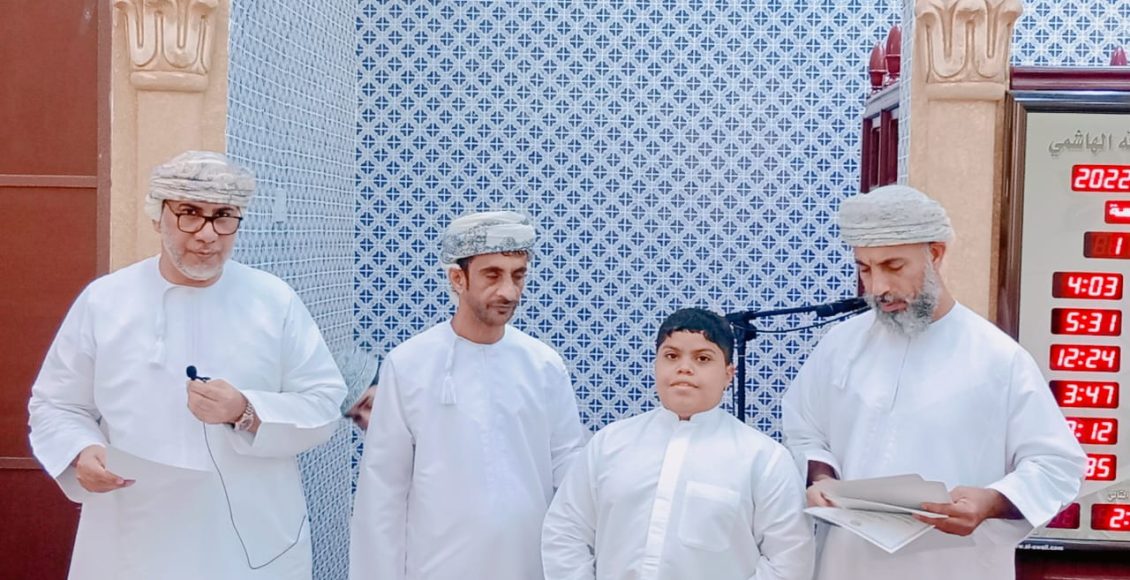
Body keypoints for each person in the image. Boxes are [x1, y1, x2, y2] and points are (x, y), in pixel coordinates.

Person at [27, 151, 347, 580]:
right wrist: (81, 451)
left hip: (246, 538)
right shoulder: (105, 300)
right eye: (189, 214)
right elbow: (57, 404)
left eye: (223, 216)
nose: (207, 234)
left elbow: (324, 403)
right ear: (157, 216)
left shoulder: (274, 300)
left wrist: (245, 410)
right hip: (133, 534)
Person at [782, 185, 1086, 579]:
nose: (877, 288)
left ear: (936, 254)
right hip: (848, 563)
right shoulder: (839, 346)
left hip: (955, 566)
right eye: (865, 269)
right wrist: (822, 478)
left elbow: (1057, 465)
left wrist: (991, 502)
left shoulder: (998, 358)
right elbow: (805, 431)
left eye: (893, 266)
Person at [349, 210, 586, 580]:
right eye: (492, 275)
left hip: (526, 566)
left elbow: (571, 475)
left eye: (518, 276)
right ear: (458, 279)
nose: (509, 291)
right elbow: (382, 496)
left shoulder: (544, 366)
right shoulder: (408, 365)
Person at [542, 308, 815, 580]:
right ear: (656, 364)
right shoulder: (609, 444)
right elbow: (566, 532)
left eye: (703, 358)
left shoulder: (764, 459)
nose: (684, 368)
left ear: (728, 374)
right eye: (671, 356)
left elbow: (789, 560)